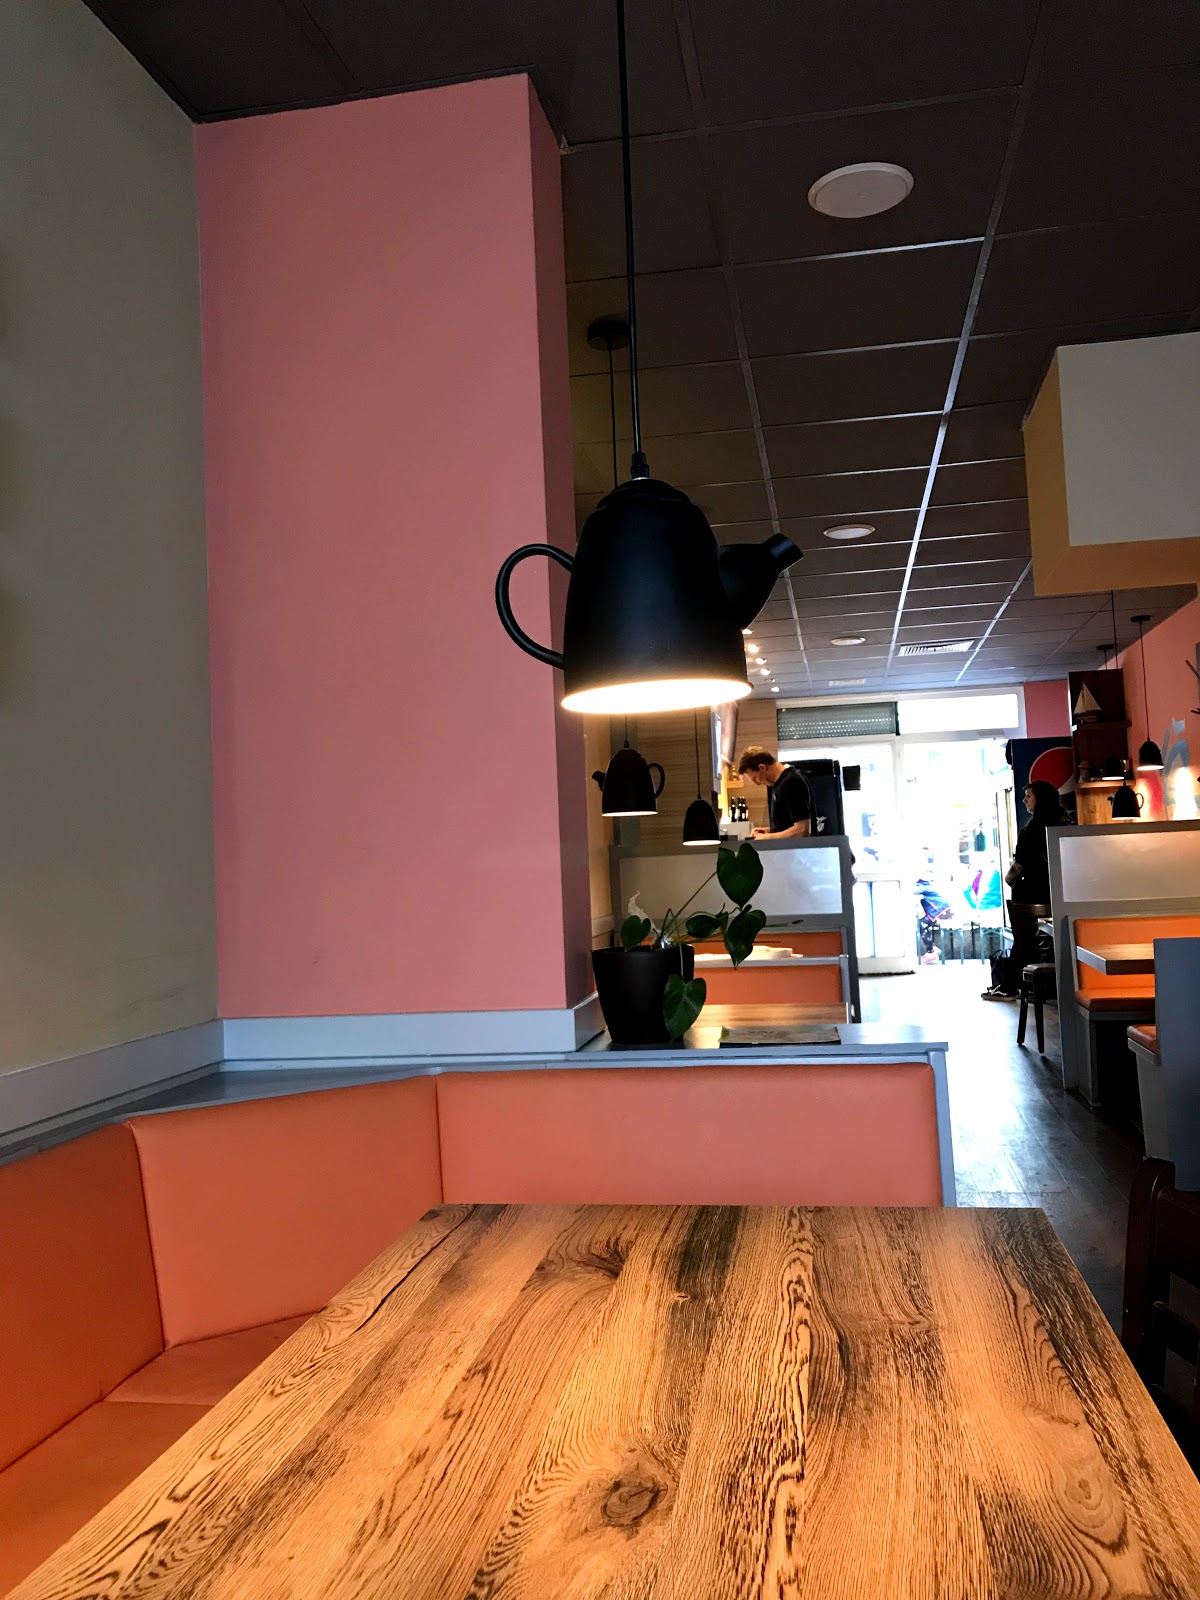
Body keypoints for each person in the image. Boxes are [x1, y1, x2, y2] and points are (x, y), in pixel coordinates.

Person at [982, 780, 1063, 999]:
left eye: (1028, 796)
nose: (1024, 800)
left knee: (1023, 940)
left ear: (1040, 799)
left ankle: (1011, 986)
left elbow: (1022, 862)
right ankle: (1049, 988)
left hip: (1031, 893)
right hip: (1060, 891)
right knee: (1054, 940)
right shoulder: (1064, 822)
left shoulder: (1032, 828)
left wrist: (1009, 879)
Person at [737, 746, 812, 839]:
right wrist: (769, 831)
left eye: (755, 778)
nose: (758, 783)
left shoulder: (791, 782)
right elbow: (787, 826)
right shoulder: (778, 784)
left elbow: (802, 830)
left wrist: (768, 838)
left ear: (762, 767)